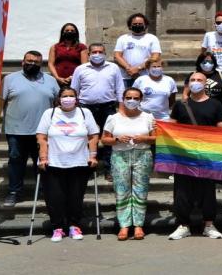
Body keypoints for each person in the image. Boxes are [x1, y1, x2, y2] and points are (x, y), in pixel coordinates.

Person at [167, 72, 222, 240]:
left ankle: (209, 224)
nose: (196, 82)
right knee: (181, 191)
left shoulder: (215, 104)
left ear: (205, 83)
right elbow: (171, 127)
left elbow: (221, 127)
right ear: (188, 85)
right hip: (184, 156)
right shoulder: (180, 105)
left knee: (208, 191)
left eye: (199, 80)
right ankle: (183, 225)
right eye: (192, 80)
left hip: (207, 156)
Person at [36, 87, 99, 242]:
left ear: (77, 99)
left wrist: (93, 156)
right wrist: (43, 157)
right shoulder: (49, 113)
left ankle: (74, 225)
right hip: (54, 162)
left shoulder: (85, 113)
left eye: (71, 96)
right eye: (65, 96)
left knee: (76, 197)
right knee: (54, 197)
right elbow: (41, 137)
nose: (68, 99)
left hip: (79, 162)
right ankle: (57, 227)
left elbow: (93, 136)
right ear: (59, 98)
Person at [1, 50, 60, 207]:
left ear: (41, 64)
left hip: (42, 131)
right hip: (15, 129)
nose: (32, 64)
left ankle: (43, 191)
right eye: (29, 61)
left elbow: (57, 104)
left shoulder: (51, 80)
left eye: (36, 62)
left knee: (42, 161)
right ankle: (14, 192)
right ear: (23, 61)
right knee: (15, 161)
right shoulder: (9, 79)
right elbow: (0, 103)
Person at [101, 87, 156, 241]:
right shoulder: (113, 118)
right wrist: (117, 139)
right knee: (121, 189)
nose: (132, 101)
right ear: (123, 99)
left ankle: (138, 225)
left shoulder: (148, 117)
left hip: (142, 154)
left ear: (141, 100)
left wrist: (144, 138)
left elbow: (156, 137)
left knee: (140, 189)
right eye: (129, 97)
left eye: (136, 98)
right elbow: (104, 139)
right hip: (120, 155)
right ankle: (124, 225)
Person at [71, 43, 125, 181]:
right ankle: (87, 168)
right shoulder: (80, 69)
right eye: (94, 52)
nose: (97, 54)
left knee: (108, 138)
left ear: (105, 53)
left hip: (108, 107)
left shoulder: (113, 68)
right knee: (85, 138)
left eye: (100, 51)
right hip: (85, 107)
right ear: (88, 54)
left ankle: (109, 169)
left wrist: (122, 108)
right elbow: (74, 90)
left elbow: (120, 88)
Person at [182, 52, 222, 124]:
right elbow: (185, 94)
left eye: (210, 61)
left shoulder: (220, 75)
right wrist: (185, 109)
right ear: (199, 62)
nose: (207, 64)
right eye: (204, 61)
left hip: (218, 111)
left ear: (214, 62)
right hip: (198, 111)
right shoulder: (193, 76)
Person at [114, 13, 162, 88]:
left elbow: (155, 57)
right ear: (130, 25)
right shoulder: (123, 38)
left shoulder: (152, 38)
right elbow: (117, 56)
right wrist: (128, 69)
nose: (137, 25)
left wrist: (138, 68)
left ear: (145, 25)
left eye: (140, 24)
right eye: (135, 24)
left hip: (145, 76)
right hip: (125, 77)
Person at [47, 23, 88, 87]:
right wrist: (57, 78)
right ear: (63, 33)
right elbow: (50, 64)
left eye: (72, 31)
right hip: (57, 80)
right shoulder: (55, 47)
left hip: (75, 80)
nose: (69, 32)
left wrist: (72, 77)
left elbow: (84, 65)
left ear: (76, 33)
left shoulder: (82, 47)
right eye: (67, 30)